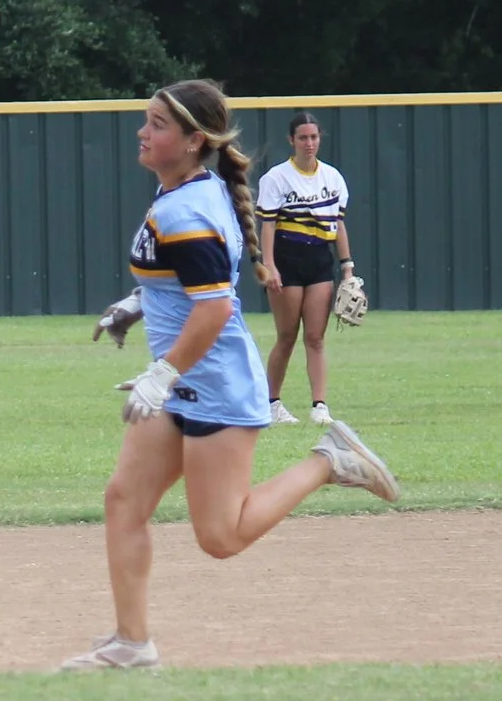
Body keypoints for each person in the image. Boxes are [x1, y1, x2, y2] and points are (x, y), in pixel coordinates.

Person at [70, 81, 399, 671]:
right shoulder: (185, 191)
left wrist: (162, 371)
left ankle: (330, 460)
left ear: (195, 141)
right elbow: (193, 281)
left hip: (214, 382)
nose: (143, 133)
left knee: (220, 537)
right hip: (180, 379)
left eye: (158, 125)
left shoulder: (188, 207)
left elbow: (217, 306)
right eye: (146, 121)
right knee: (124, 500)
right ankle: (131, 644)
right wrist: (136, 304)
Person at [253, 111, 360, 426]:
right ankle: (272, 404)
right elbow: (268, 225)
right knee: (286, 336)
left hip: (319, 258)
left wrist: (348, 267)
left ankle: (319, 406)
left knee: (315, 337)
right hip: (287, 257)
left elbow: (337, 224)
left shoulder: (332, 178)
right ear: (292, 140)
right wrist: (269, 266)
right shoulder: (277, 177)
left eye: (314, 137)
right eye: (303, 137)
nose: (309, 143)